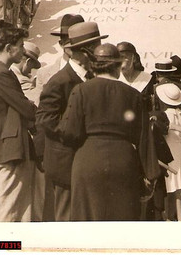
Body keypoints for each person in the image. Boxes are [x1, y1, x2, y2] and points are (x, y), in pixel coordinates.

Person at [59, 43, 144, 221]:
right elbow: (142, 136)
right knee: (123, 220)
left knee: (87, 220)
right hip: (123, 160)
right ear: (118, 66)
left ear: (93, 65)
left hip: (88, 159)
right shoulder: (133, 94)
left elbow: (68, 132)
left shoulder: (81, 90)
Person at [36, 21, 107, 221]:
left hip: (87, 162)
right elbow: (45, 120)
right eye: (96, 47)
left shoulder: (93, 78)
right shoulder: (59, 81)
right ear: (85, 51)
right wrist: (77, 131)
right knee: (65, 218)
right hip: (65, 164)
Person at [0, 24, 37, 222]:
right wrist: (31, 105)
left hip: (7, 145)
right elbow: (26, 108)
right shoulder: (1, 73)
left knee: (8, 203)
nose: (23, 50)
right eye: (20, 46)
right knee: (9, 206)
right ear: (8, 48)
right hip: (9, 146)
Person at [155, 82, 181, 221]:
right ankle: (179, 216)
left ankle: (170, 216)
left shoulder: (164, 116)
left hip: (169, 154)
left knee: (170, 187)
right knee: (178, 188)